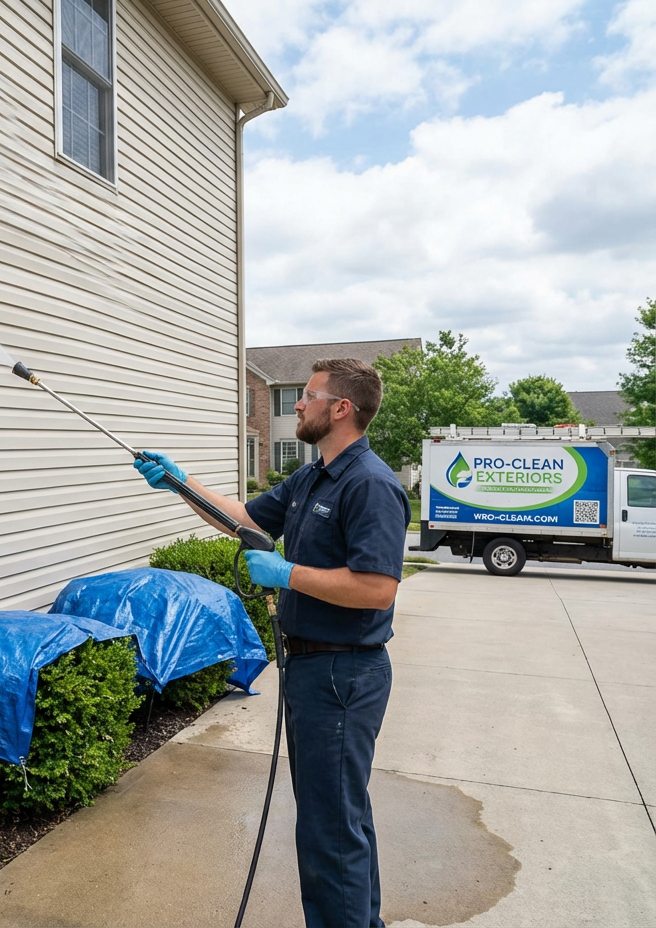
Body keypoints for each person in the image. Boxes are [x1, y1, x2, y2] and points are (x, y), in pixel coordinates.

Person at [133, 358, 410, 928]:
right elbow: (243, 518)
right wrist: (180, 483)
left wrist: (287, 575)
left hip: (343, 676)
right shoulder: (314, 476)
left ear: (341, 409)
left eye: (307, 397)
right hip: (312, 671)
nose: (297, 406)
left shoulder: (371, 485)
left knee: (332, 829)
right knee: (332, 820)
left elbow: (378, 590)